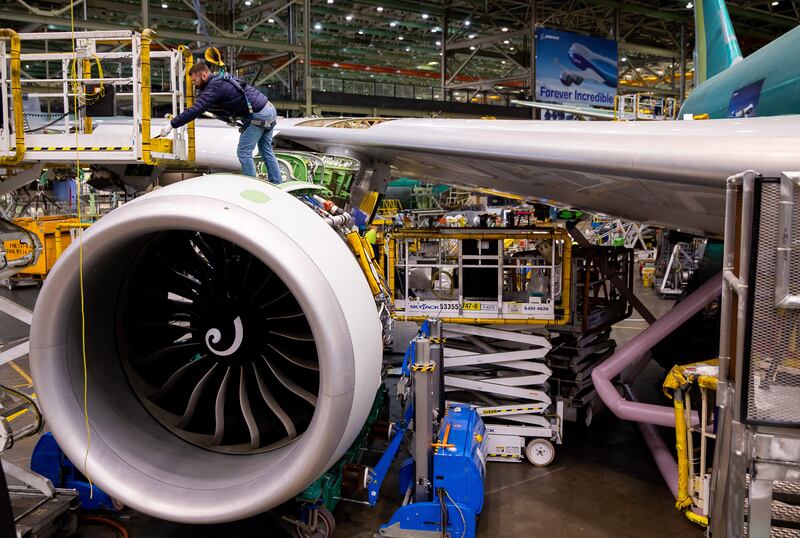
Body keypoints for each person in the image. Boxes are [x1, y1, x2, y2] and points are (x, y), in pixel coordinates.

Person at [160, 62, 281, 182]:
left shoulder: (215, 86)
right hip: (269, 108)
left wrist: (172, 124)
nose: (194, 85)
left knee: (243, 152)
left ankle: (252, 186)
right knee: (266, 150)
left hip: (259, 115)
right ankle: (277, 182)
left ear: (203, 75)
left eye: (194, 81)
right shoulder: (222, 77)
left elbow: (196, 109)